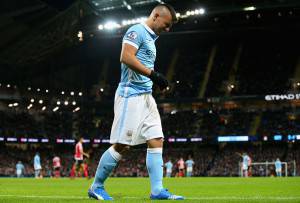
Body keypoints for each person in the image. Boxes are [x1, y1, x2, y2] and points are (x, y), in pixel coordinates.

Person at [88, 3, 184, 200]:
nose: (167, 29)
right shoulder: (136, 31)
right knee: (122, 144)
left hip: (146, 96)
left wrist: (153, 80)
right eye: (166, 25)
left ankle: (157, 190)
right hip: (130, 95)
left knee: (157, 138)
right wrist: (153, 74)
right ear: (156, 15)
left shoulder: (151, 38)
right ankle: (96, 187)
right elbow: (125, 56)